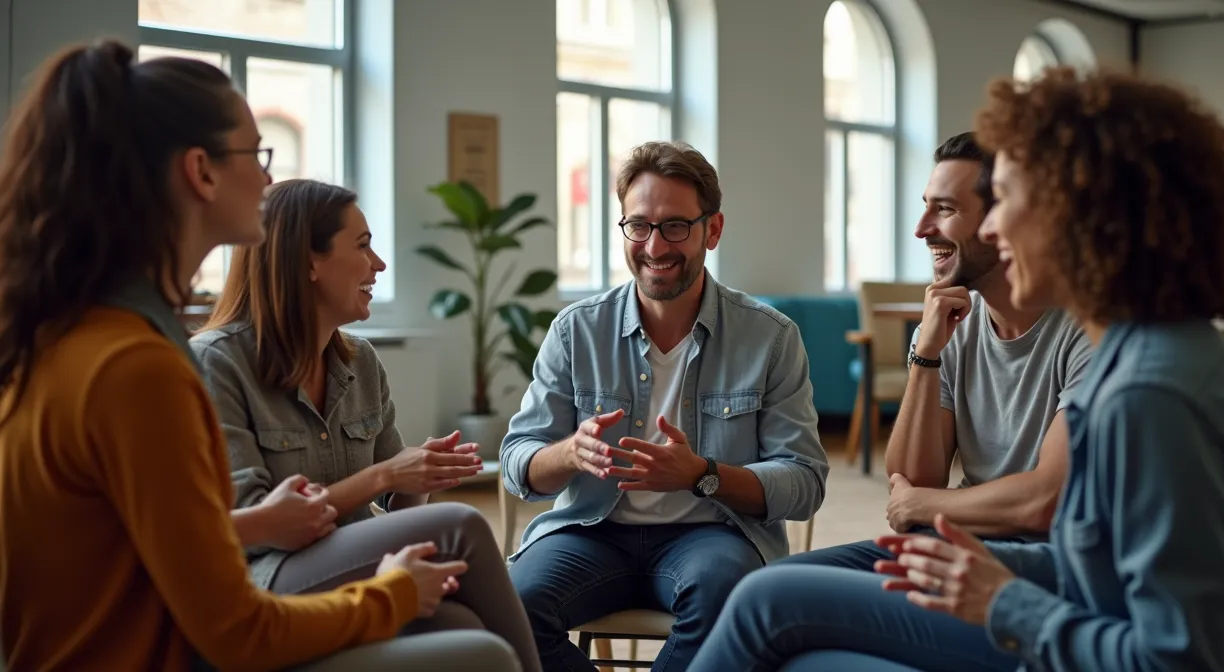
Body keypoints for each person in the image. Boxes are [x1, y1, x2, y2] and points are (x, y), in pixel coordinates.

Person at [688, 67, 1224, 672]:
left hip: (1078, 636)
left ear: (1080, 217)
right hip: (1069, 604)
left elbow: (1177, 658)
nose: (990, 225)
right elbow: (1097, 566)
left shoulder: (1152, 396)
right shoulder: (1149, 351)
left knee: (765, 604)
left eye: (1004, 200)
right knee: (799, 637)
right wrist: (984, 572)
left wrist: (1004, 599)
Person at [0, 40, 518, 671]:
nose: (269, 179)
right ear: (202, 171)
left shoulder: (80, 336)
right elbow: (236, 630)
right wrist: (390, 593)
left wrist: (274, 525)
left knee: (464, 628)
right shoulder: (139, 368)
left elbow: (153, 544)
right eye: (257, 154)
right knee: (481, 653)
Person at [500, 140, 829, 672]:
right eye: (639, 225)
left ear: (712, 230)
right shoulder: (577, 330)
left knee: (727, 599)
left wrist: (703, 474)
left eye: (675, 225)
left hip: (712, 535)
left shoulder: (770, 338)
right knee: (507, 608)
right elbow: (519, 461)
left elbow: (804, 483)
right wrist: (571, 453)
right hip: (591, 530)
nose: (655, 246)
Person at [191, 177, 540, 672]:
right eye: (363, 246)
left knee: (462, 624)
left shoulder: (361, 362)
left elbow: (397, 507)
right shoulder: (217, 363)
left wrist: (421, 475)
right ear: (308, 262)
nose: (378, 264)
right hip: (263, 578)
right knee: (461, 524)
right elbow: (256, 524)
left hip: (353, 568)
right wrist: (384, 476)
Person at [778, 133, 1089, 577]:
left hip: (1038, 565)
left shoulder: (1086, 331)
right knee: (776, 583)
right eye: (927, 205)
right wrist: (926, 354)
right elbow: (910, 479)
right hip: (951, 540)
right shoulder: (951, 324)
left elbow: (1044, 501)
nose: (922, 229)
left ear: (1004, 221)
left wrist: (925, 505)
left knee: (778, 606)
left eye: (944, 209)